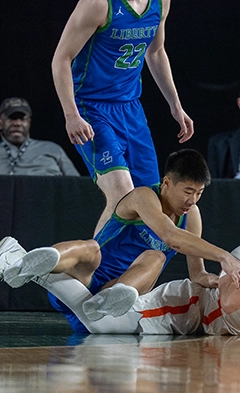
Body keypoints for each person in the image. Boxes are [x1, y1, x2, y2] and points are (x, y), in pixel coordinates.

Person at [0, 188, 240, 337]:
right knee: (101, 326)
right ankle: (19, 260)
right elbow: (231, 302)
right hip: (186, 307)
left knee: (98, 316)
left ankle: (23, 262)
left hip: (206, 330)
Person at [0, 149, 240, 332]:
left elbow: (196, 273)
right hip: (85, 276)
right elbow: (170, 237)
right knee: (92, 248)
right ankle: (33, 261)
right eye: (188, 191)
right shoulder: (143, 196)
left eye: (199, 193)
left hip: (113, 301)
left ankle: (111, 294)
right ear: (166, 182)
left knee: (156, 257)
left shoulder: (192, 215)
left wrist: (217, 280)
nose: (193, 200)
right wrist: (224, 256)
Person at [52, 0, 194, 233]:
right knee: (121, 193)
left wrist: (176, 106)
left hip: (130, 108)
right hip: (91, 107)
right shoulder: (98, 4)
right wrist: (71, 114)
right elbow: (61, 58)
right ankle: (93, 258)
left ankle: (127, 258)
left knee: (150, 199)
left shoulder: (161, 3)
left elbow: (156, 52)